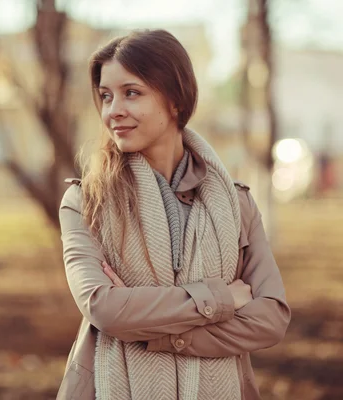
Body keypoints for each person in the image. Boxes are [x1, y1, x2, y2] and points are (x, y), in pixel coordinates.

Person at [57, 29, 290, 400]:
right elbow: (105, 309)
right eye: (105, 96)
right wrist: (221, 300)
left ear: (176, 100)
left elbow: (270, 319)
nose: (113, 110)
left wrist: (155, 330)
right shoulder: (87, 200)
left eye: (131, 92)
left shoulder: (236, 205)